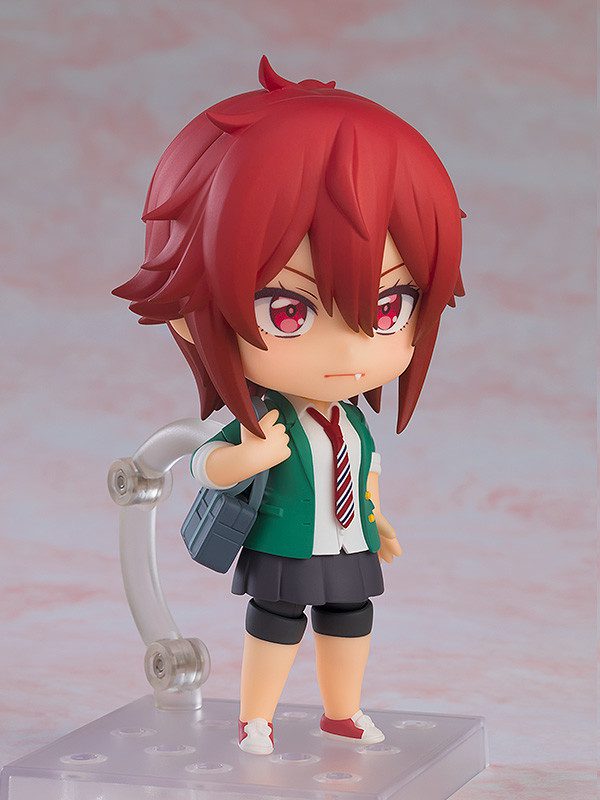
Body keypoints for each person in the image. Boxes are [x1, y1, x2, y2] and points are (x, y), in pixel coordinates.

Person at [113, 55, 465, 755]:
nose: (352, 348)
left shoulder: (352, 419)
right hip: (284, 541)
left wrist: (376, 516)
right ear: (192, 311)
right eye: (288, 310)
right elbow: (205, 465)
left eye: (389, 307)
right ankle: (257, 717)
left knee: (351, 616)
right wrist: (249, 455)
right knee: (276, 620)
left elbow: (362, 469)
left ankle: (342, 712)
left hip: (347, 539)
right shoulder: (264, 418)